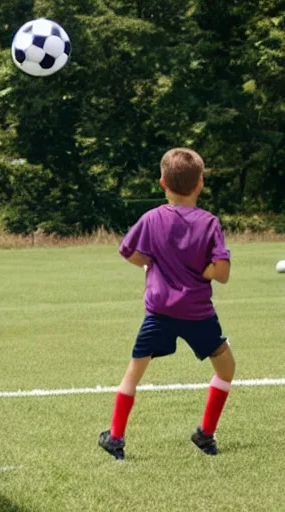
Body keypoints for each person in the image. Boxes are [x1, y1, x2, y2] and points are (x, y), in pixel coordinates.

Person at [99, 148, 235, 460]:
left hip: (159, 313)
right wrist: (205, 270)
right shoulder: (209, 223)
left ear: (162, 182)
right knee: (226, 369)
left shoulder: (151, 218)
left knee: (133, 373)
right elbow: (223, 273)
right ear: (200, 183)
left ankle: (116, 438)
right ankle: (206, 435)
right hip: (199, 314)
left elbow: (126, 250)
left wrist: (148, 263)